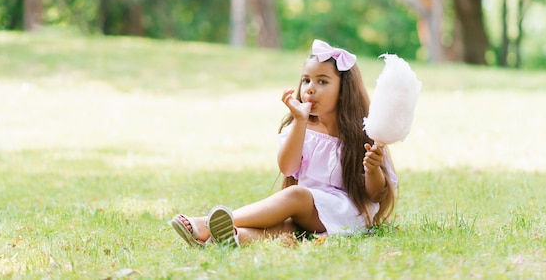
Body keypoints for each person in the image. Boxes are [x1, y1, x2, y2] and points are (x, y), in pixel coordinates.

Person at [170, 39, 398, 247]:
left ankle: (204, 223)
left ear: (343, 90)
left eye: (322, 81)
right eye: (306, 80)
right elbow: (288, 168)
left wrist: (372, 169)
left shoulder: (364, 132)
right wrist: (299, 121)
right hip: (309, 213)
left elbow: (375, 194)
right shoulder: (302, 128)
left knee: (296, 195)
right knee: (284, 228)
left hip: (346, 213)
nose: (310, 88)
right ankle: (225, 237)